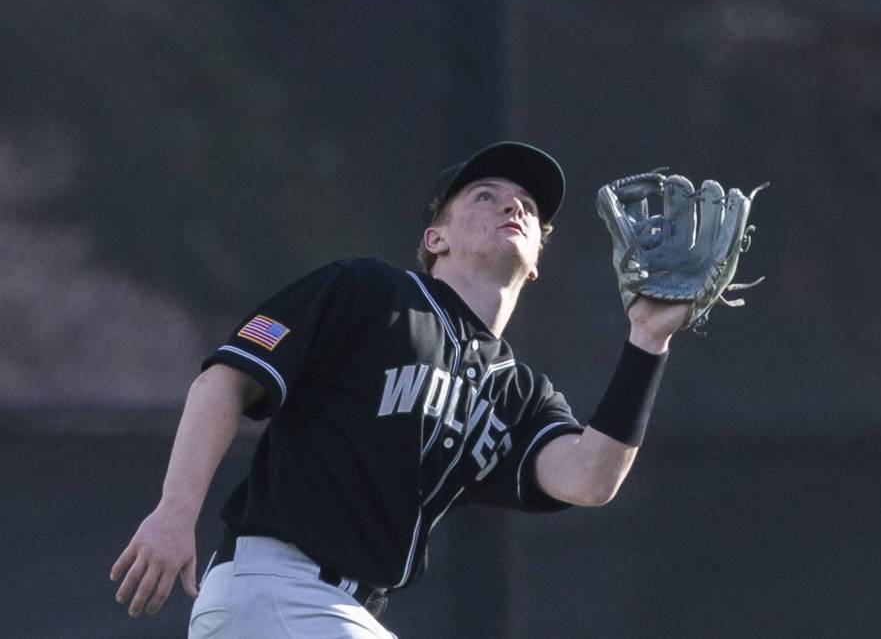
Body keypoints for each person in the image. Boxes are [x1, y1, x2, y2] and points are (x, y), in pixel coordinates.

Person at [111, 141, 691, 637]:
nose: (511, 204)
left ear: (537, 257)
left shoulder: (520, 394)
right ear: (435, 236)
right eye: (484, 195)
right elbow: (224, 381)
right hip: (278, 589)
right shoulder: (372, 293)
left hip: (337, 611)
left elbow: (590, 477)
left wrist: (647, 341)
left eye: (529, 206)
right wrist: (174, 512)